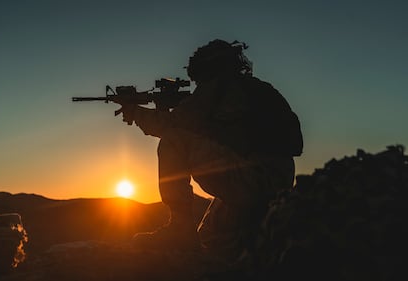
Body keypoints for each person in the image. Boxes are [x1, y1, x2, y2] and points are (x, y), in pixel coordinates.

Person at [115, 39, 303, 257]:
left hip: (255, 178)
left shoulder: (221, 87)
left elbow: (171, 126)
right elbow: (223, 133)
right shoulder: (252, 89)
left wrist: (135, 111)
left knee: (173, 140)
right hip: (274, 179)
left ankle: (180, 230)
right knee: (211, 239)